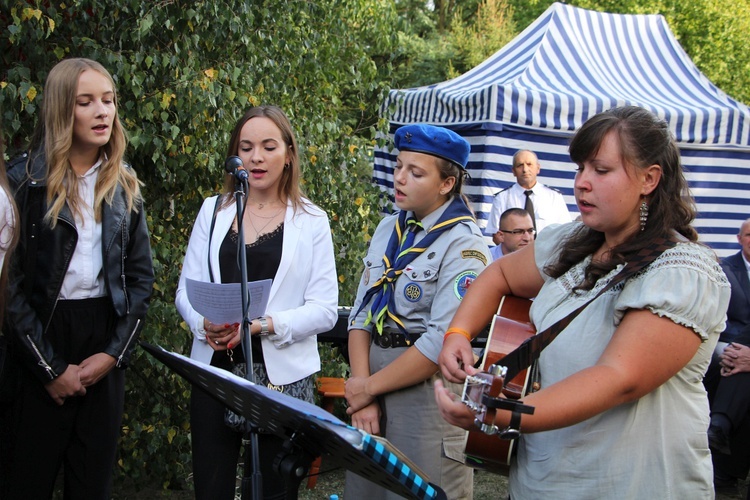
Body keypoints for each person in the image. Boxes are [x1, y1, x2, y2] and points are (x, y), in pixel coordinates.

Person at [435, 106, 730, 499]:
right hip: (543, 480)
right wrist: (458, 331)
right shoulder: (572, 240)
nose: (581, 183)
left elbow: (619, 379)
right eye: (580, 169)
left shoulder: (684, 270)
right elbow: (500, 274)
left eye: (600, 170)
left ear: (649, 179)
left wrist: (498, 415)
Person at [0, 58, 154, 499]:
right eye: (86, 102)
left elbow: (141, 281)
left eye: (108, 100)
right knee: (24, 482)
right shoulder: (22, 181)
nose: (102, 111)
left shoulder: (123, 185)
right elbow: (7, 289)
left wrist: (112, 355)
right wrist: (49, 368)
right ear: (60, 110)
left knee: (93, 487)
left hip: (102, 338)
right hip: (38, 339)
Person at [175, 105, 338, 500]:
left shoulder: (312, 220)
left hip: (280, 377)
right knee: (210, 489)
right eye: (246, 147)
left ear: (289, 154)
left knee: (272, 491)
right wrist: (203, 324)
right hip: (215, 370)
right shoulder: (213, 210)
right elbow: (185, 290)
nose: (256, 157)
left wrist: (265, 325)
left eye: (268, 146)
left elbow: (325, 309)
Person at [344, 124, 489, 499]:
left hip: (424, 393)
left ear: (447, 184)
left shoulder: (466, 244)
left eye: (416, 172)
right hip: (371, 379)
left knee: (420, 489)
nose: (400, 178)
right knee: (366, 490)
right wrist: (364, 389)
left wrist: (366, 389)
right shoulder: (388, 228)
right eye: (398, 166)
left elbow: (442, 339)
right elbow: (360, 315)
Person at [704, 218, 750, 494]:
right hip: (730, 343)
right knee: (733, 362)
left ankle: (719, 424)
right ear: (739, 238)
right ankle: (724, 471)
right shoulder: (724, 269)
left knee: (739, 368)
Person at [485, 149, 571, 238]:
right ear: (513, 171)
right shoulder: (502, 198)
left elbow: (565, 232)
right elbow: (496, 235)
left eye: (529, 164)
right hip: (514, 251)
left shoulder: (554, 197)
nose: (525, 169)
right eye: (520, 165)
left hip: (547, 251)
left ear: (538, 168)